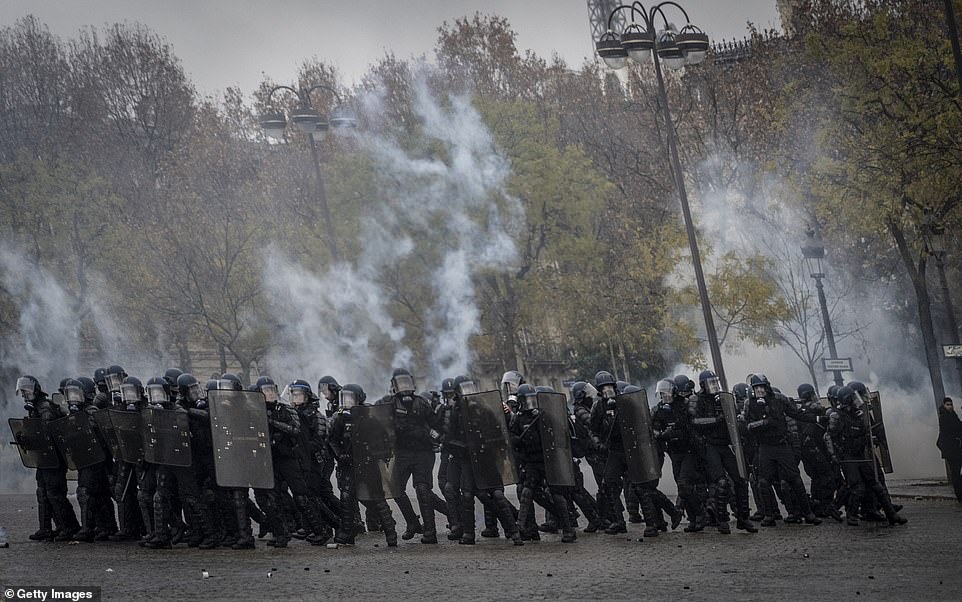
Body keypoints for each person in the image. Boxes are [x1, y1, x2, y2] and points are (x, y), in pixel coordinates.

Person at [937, 397, 962, 503]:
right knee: (955, 474)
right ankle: (960, 496)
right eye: (947, 404)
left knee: (956, 473)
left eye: (951, 404)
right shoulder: (944, 417)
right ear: (944, 405)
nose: (950, 406)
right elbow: (955, 428)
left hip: (957, 449)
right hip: (952, 451)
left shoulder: (953, 415)